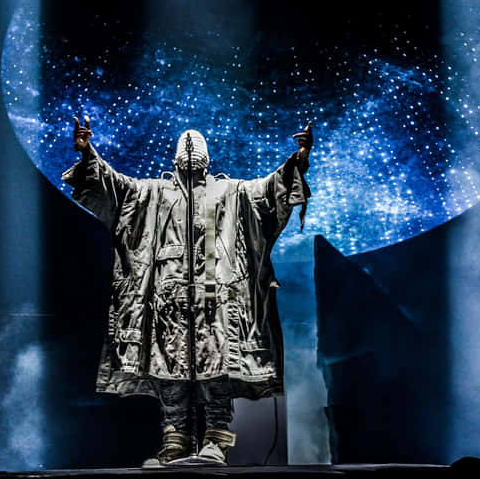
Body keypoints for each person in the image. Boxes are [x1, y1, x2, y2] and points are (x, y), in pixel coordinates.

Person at [62, 116, 312, 467]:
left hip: (215, 304)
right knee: (169, 369)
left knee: (217, 369)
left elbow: (269, 191)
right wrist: (88, 152)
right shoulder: (151, 192)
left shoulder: (231, 191)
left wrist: (297, 161)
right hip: (169, 304)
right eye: (185, 145)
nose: (192, 148)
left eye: (198, 147)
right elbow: (113, 186)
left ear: (209, 158)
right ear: (174, 157)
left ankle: (215, 440)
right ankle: (175, 439)